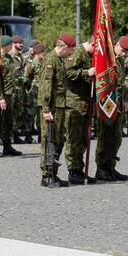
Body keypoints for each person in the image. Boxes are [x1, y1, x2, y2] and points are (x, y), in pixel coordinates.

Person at [38, 35, 74, 187]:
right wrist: (46, 109)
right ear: (64, 47)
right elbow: (46, 86)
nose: (70, 53)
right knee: (49, 140)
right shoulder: (51, 60)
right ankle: (46, 176)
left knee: (57, 140)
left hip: (58, 106)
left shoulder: (59, 60)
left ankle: (54, 173)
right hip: (51, 107)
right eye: (70, 50)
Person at [95, 36, 128, 182]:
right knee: (105, 137)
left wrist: (125, 101)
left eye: (127, 52)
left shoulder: (121, 61)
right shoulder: (107, 60)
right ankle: (101, 169)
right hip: (106, 104)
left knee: (116, 138)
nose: (124, 54)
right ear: (115, 45)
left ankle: (111, 166)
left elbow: (121, 84)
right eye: (123, 50)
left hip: (117, 104)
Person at [64, 39, 96, 184]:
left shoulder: (88, 55)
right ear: (93, 44)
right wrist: (86, 73)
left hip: (84, 102)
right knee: (74, 138)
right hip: (74, 102)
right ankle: (73, 171)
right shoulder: (77, 52)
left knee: (83, 138)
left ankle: (79, 169)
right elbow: (68, 72)